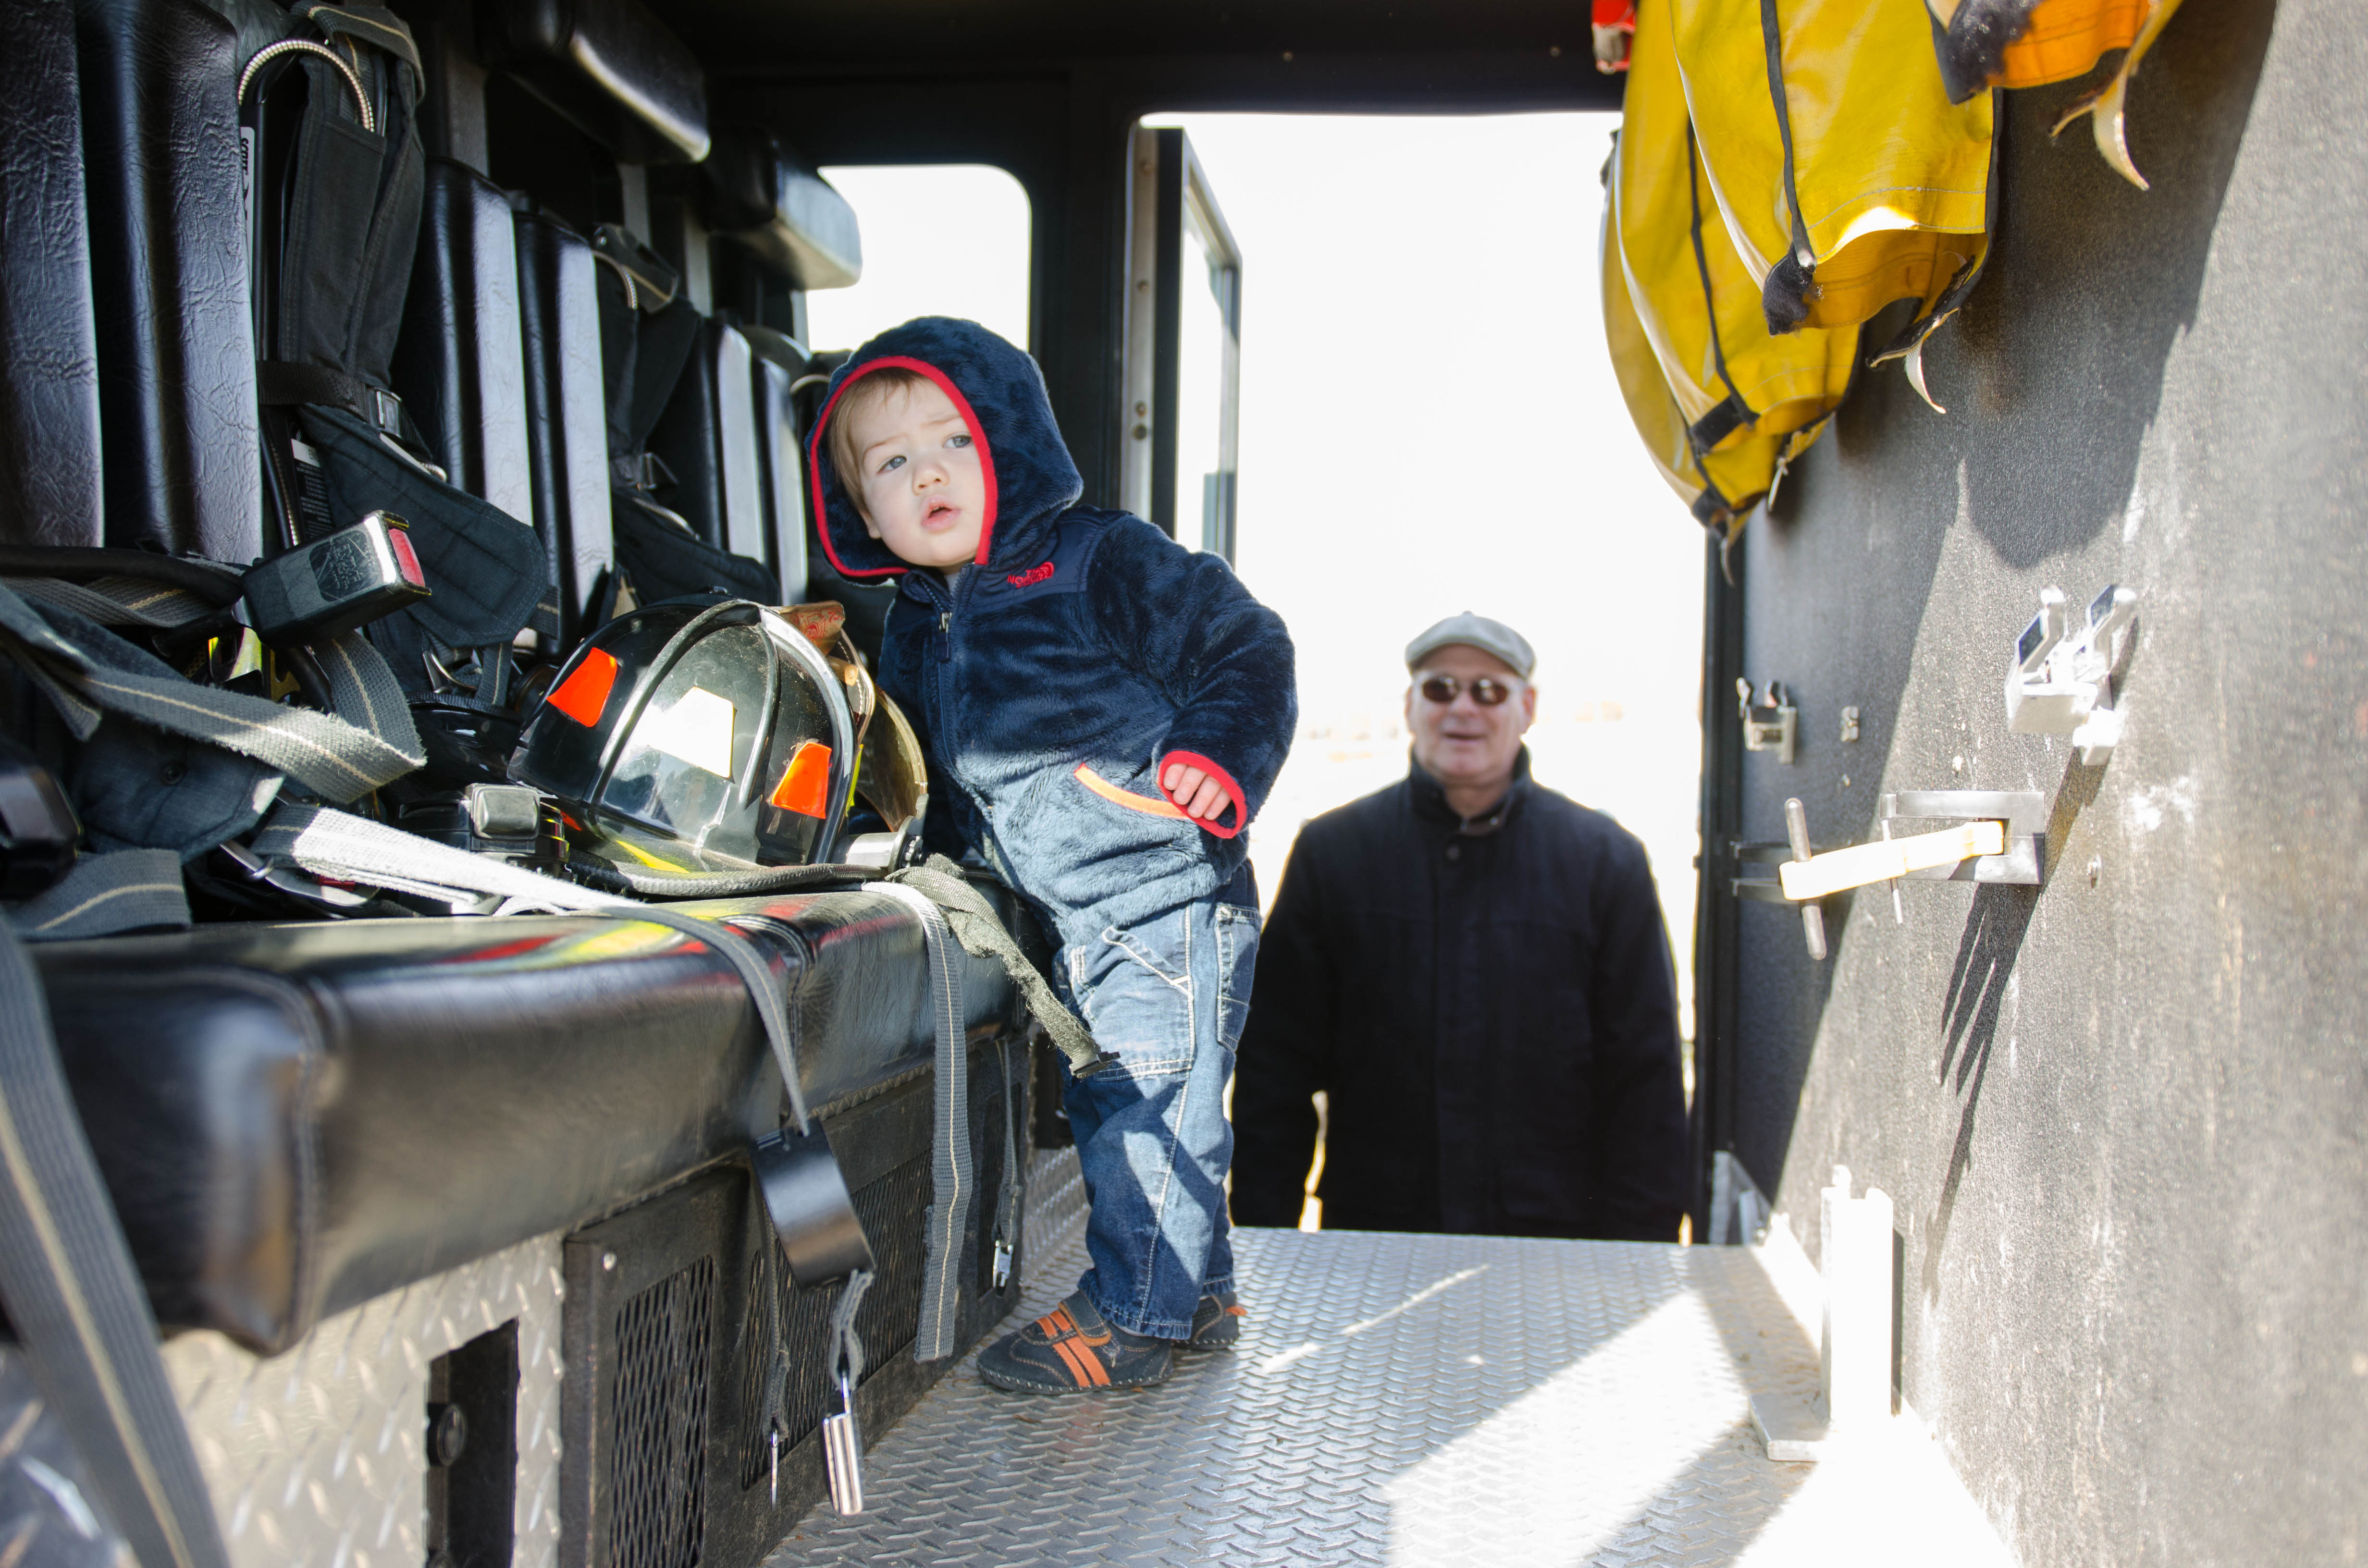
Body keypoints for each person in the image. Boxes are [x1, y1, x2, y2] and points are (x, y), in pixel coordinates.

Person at [808, 317, 1296, 1393]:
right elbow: (930, 768)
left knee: (1151, 1105)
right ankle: (1197, 1294)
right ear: (863, 511)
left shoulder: (1099, 561)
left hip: (1162, 892)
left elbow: (1248, 645)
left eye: (958, 442)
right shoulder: (915, 620)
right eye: (892, 463)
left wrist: (1219, 757)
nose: (928, 474)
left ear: (1015, 445)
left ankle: (1134, 1318)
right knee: (1118, 1094)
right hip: (1070, 918)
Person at [1230, 612, 1688, 1240]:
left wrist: (1638, 1257)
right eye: (1441, 688)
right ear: (1411, 707)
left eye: (1490, 691)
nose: (1463, 709)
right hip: (1377, 1240)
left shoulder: (1606, 862)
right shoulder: (1333, 854)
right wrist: (1265, 1238)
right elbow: (1274, 1069)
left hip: (1554, 1243)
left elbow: (1646, 1079)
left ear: (1527, 708)